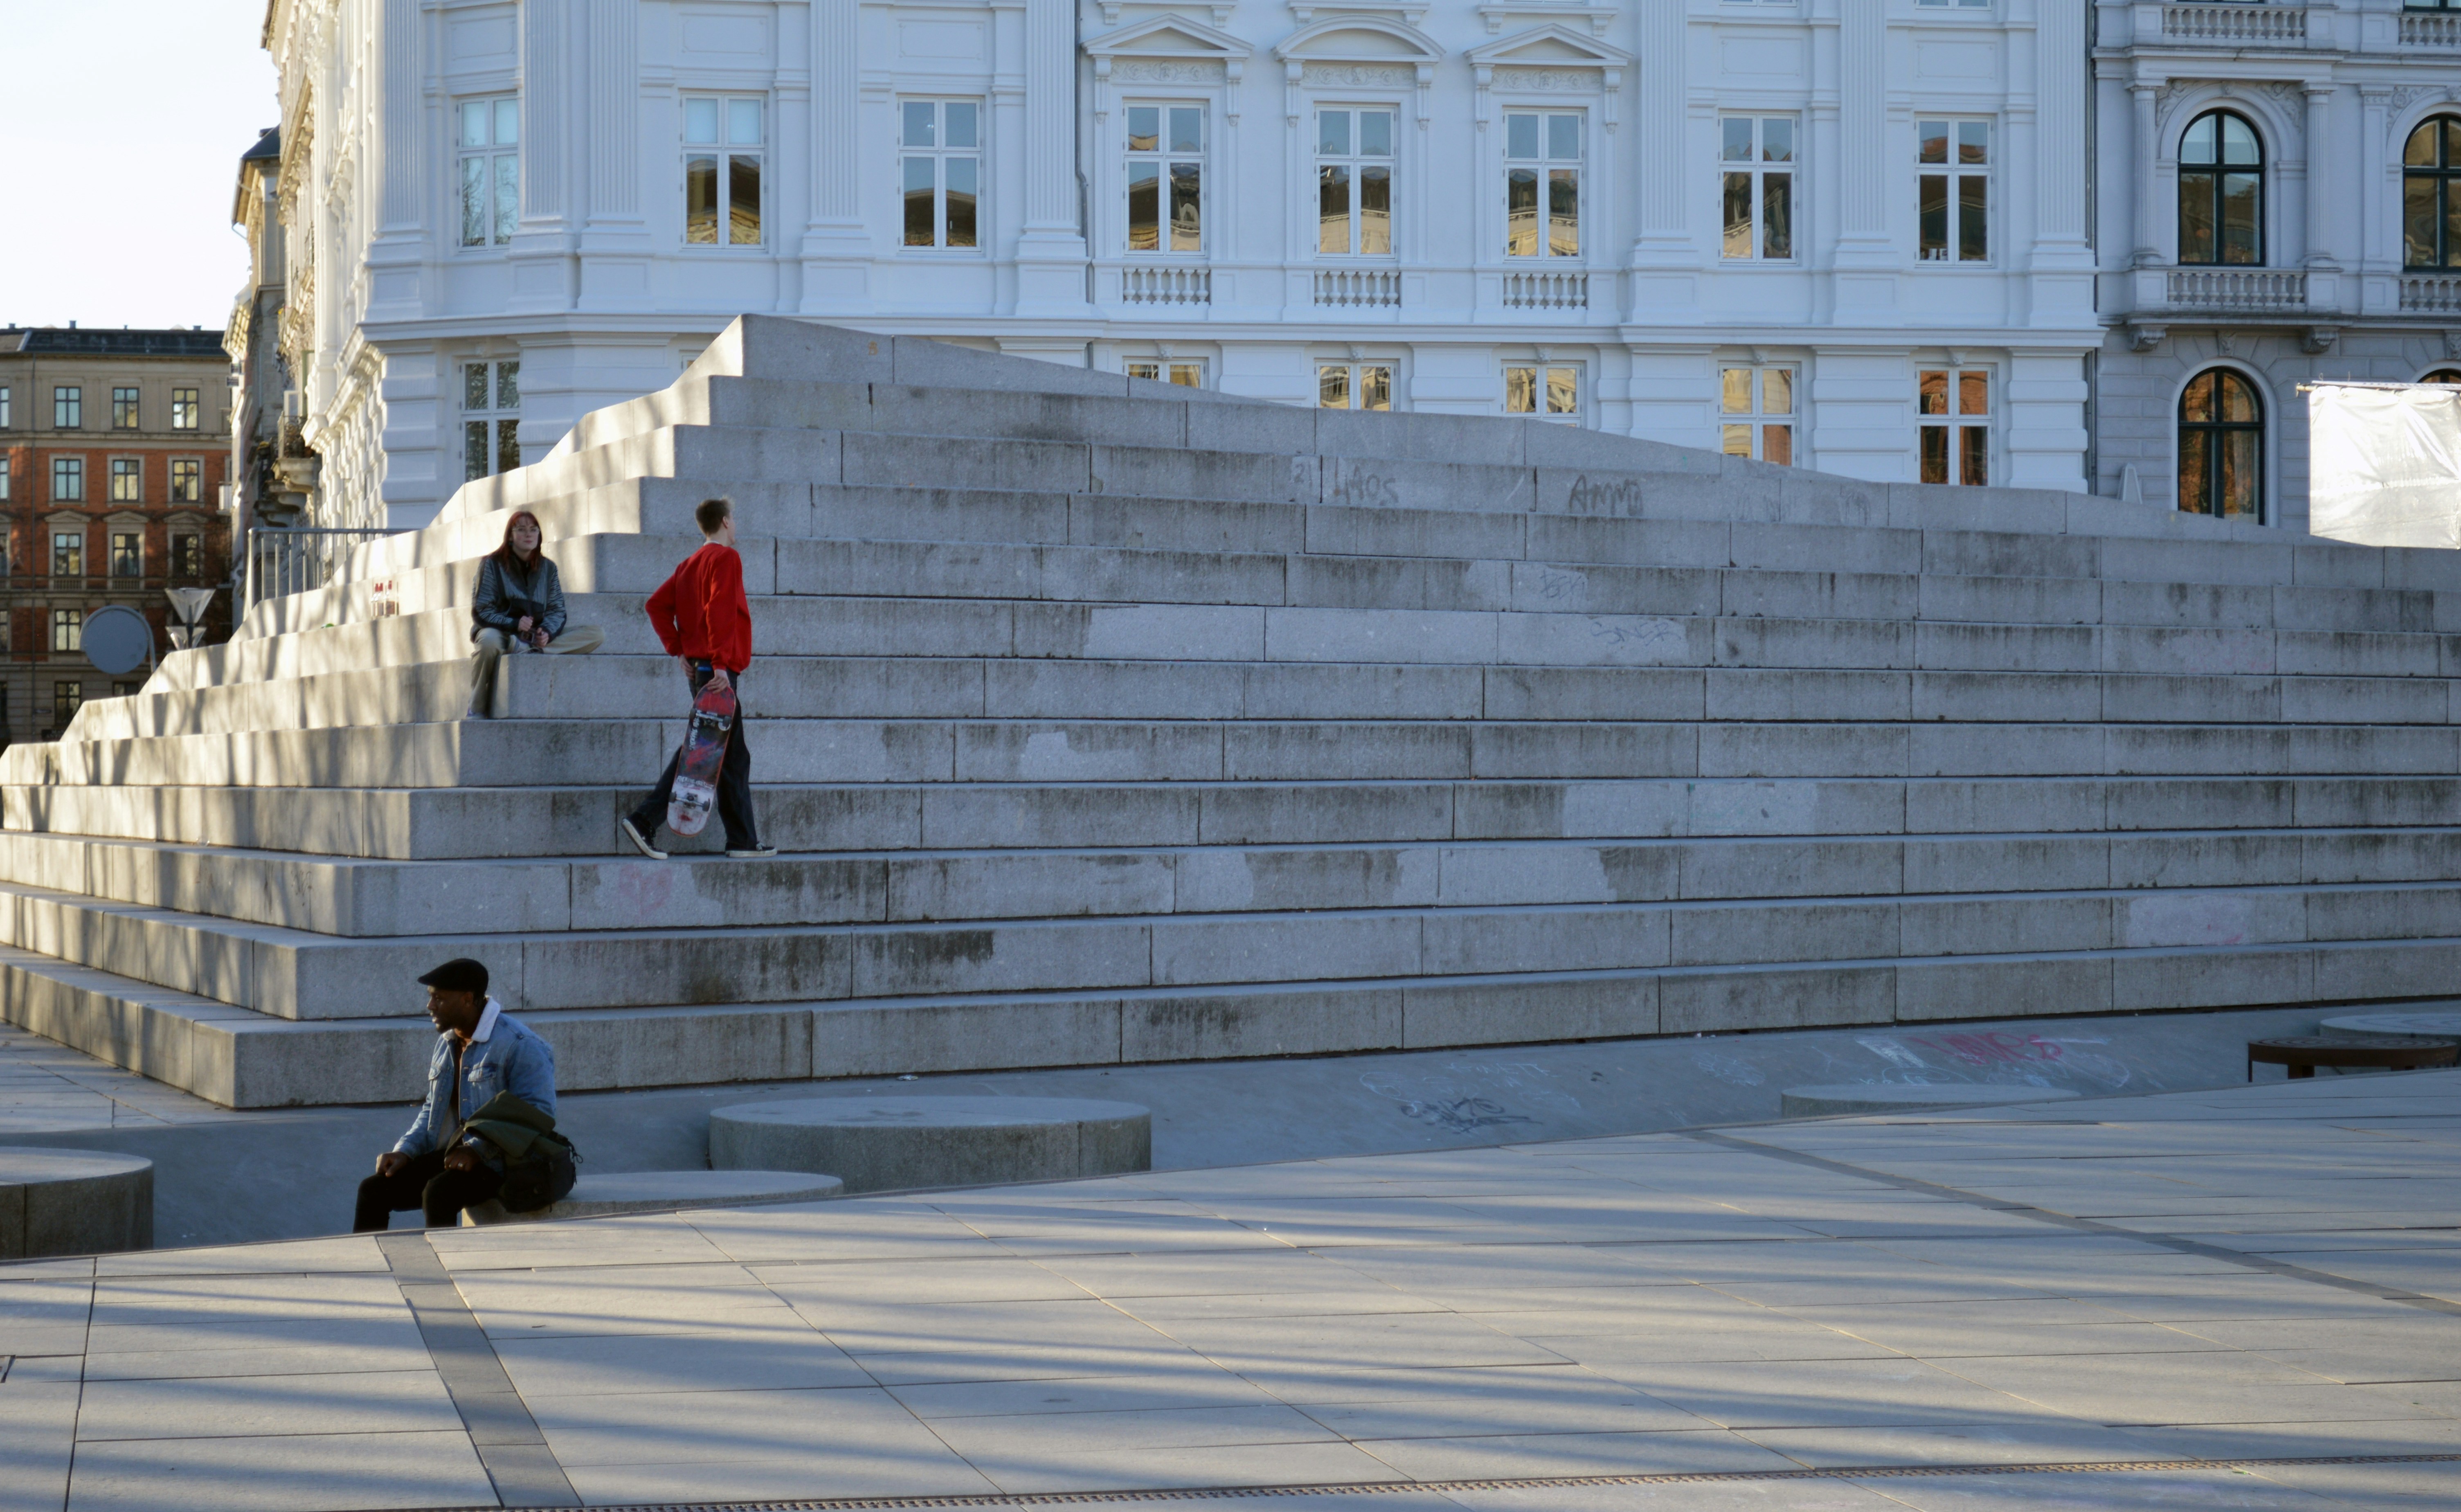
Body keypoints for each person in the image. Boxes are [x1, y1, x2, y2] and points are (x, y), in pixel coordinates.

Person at [619, 497, 774, 859]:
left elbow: (656, 606)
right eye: (734, 518)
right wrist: (720, 663)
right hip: (718, 672)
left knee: (731, 755)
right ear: (723, 521)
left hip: (702, 668)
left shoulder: (688, 564)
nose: (736, 525)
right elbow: (720, 609)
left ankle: (743, 841)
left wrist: (679, 650)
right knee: (701, 752)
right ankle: (644, 820)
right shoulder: (726, 558)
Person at [353, 958, 558, 1231]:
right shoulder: (447, 1042)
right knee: (373, 1189)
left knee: (439, 1193)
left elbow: (538, 1116)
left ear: (467, 999)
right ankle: (371, 1268)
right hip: (455, 1155)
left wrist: (479, 1150)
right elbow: (432, 1106)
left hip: (504, 1162)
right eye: (430, 998)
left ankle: (446, 1269)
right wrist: (405, 1151)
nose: (430, 1006)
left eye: (439, 999)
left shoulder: (521, 1045)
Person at [466, 509, 603, 718]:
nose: (528, 535)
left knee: (596, 634)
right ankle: (477, 706)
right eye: (521, 530)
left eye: (533, 530)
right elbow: (481, 610)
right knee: (488, 644)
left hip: (532, 637)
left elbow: (557, 609)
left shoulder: (549, 568)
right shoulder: (491, 565)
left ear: (539, 535)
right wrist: (513, 624)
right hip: (500, 631)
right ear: (510, 536)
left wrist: (547, 632)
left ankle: (527, 648)